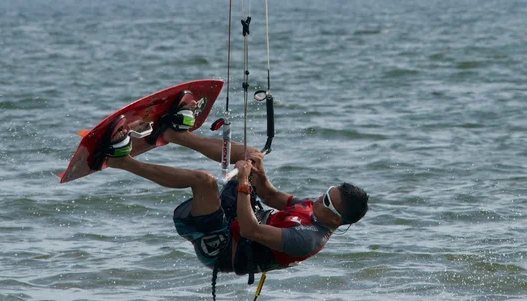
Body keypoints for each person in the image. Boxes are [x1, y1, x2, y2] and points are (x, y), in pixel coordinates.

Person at [101, 91, 369, 278]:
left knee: (202, 181)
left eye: (326, 201)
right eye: (325, 193)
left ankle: (119, 161)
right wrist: (259, 174)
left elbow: (252, 230)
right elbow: (273, 197)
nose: (319, 198)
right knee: (251, 154)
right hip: (236, 222)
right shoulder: (316, 209)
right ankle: (174, 134)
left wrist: (243, 181)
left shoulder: (307, 239)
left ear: (336, 218)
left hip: (221, 248)